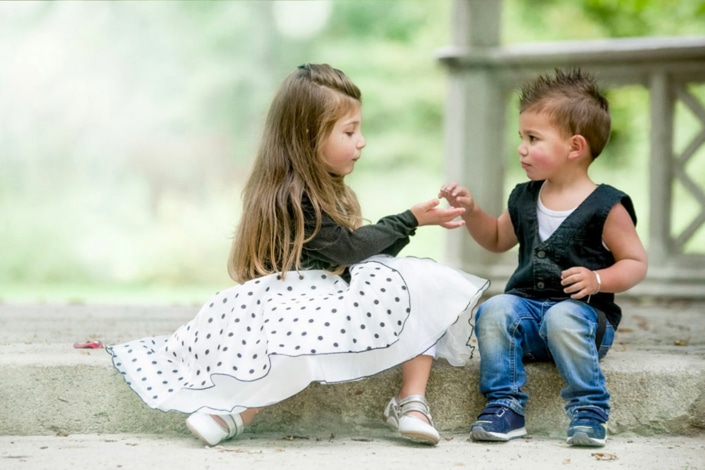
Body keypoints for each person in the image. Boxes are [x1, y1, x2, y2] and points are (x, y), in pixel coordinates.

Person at [107, 63, 488, 447]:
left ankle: (410, 400)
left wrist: (408, 227)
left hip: (324, 299)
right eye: (350, 131)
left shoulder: (325, 187)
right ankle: (238, 408)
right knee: (293, 341)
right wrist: (409, 219)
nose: (362, 142)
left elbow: (355, 255)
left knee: (416, 284)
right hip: (291, 302)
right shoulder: (293, 196)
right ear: (310, 136)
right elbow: (347, 248)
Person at [439, 68, 647, 447]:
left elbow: (635, 263)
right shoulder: (524, 197)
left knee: (563, 314)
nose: (521, 147)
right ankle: (505, 406)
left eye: (533, 138)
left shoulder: (606, 206)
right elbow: (498, 238)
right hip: (530, 322)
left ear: (575, 147)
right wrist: (471, 212)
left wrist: (598, 280)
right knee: (496, 308)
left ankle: (589, 409)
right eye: (521, 137)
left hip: (584, 323)